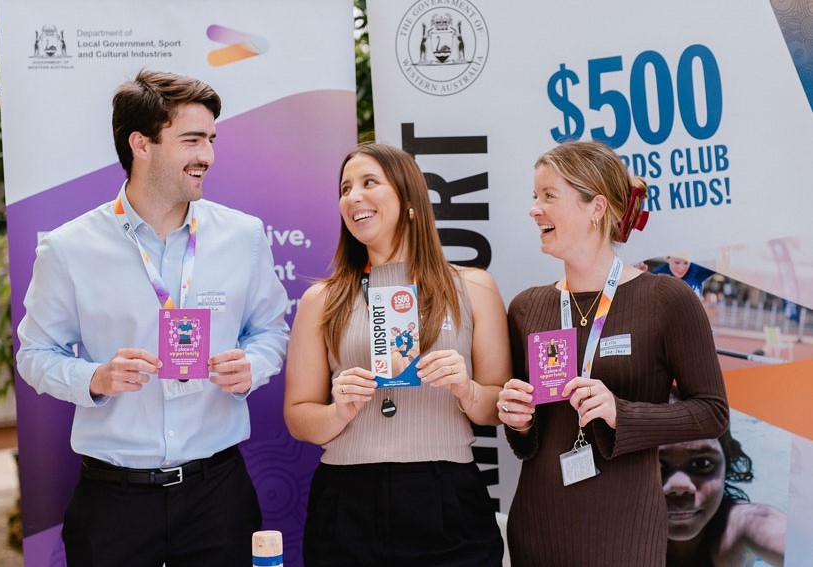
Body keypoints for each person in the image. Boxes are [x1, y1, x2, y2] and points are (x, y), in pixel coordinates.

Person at [16, 70, 290, 567]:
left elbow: (271, 329)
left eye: (210, 139)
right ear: (141, 144)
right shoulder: (68, 247)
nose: (207, 155)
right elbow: (34, 355)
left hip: (219, 494)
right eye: (191, 140)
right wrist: (94, 377)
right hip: (113, 499)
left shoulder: (243, 236)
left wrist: (254, 364)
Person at [497, 140, 729, 566]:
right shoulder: (527, 307)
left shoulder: (667, 299)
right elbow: (527, 440)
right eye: (534, 197)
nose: (534, 209)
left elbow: (712, 412)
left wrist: (623, 413)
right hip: (537, 529)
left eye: (549, 196)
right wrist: (518, 418)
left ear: (596, 207)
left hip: (624, 532)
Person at [284, 142, 510, 567]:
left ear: (409, 201)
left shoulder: (473, 287)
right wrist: (339, 411)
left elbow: (497, 407)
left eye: (369, 182)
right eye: (345, 187)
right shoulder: (321, 299)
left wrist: (466, 389)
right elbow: (298, 417)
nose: (353, 197)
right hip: (347, 499)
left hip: (446, 495)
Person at [661, 391, 786, 567]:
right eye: (655, 467)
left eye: (702, 463)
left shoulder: (744, 524)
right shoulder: (613, 529)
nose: (679, 486)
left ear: (727, 466)